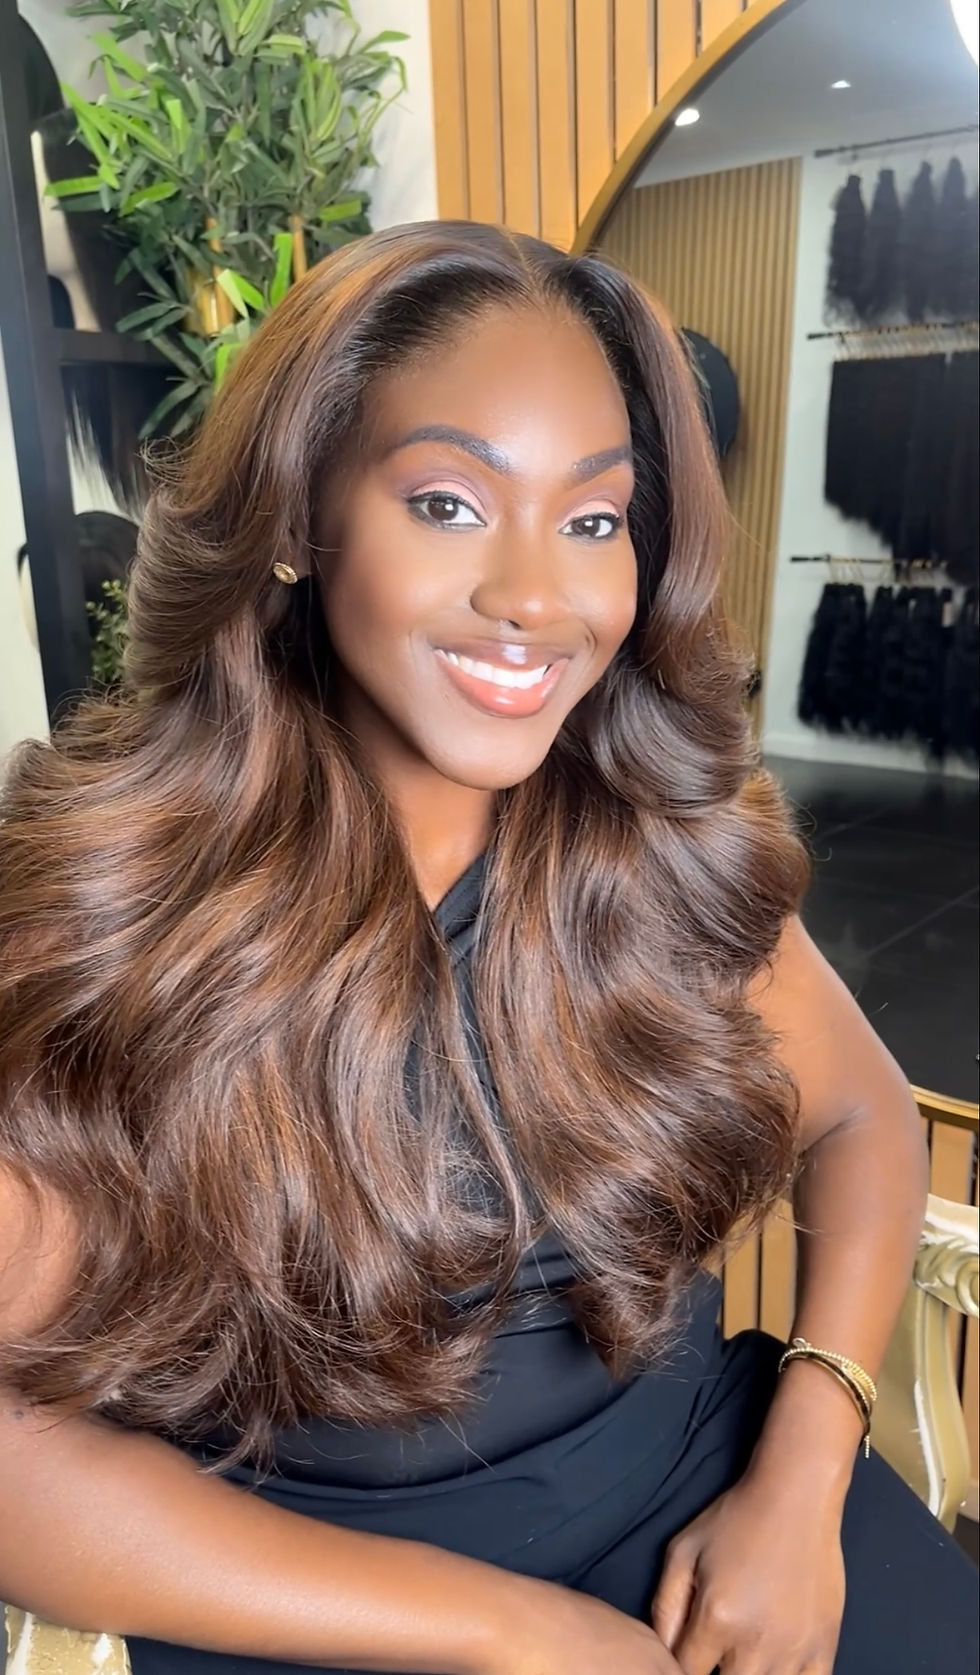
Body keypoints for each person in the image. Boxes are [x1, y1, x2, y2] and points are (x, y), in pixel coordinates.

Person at [0, 222, 975, 1675]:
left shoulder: (659, 851)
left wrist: (804, 1475)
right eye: (449, 503)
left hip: (705, 1508)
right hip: (322, 1600)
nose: (537, 596)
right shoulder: (126, 915)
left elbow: (863, 1116)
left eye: (594, 521)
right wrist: (517, 1635)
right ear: (295, 518)